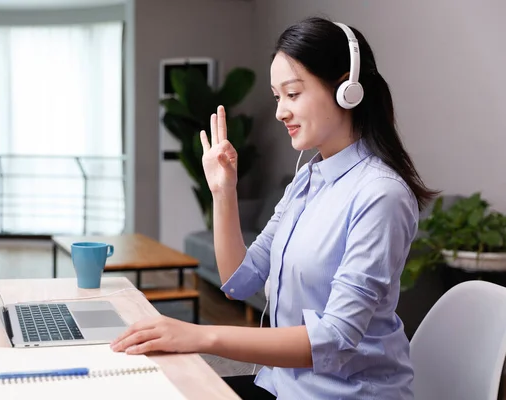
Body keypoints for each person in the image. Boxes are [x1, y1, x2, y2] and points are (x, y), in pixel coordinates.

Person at [110, 16, 437, 399]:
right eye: (277, 96)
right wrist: (223, 191)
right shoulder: (307, 180)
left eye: (293, 94)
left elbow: (334, 338)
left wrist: (201, 336)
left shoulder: (381, 195)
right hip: (282, 384)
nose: (281, 111)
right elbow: (239, 280)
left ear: (346, 88)